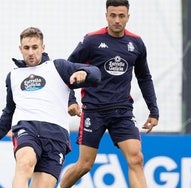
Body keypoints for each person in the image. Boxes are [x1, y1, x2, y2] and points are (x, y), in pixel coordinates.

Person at [0, 27, 101, 188]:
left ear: (43, 47)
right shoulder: (13, 76)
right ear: (20, 49)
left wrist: (85, 73)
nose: (31, 52)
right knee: (25, 162)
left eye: (35, 47)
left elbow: (96, 73)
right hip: (27, 127)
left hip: (56, 135)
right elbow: (9, 112)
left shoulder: (59, 67)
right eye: (26, 48)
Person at [59, 0, 159, 188]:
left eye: (121, 16)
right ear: (106, 15)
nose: (117, 20)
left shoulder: (136, 43)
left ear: (128, 17)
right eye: (112, 15)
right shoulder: (91, 40)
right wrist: (71, 101)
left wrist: (154, 111)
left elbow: (144, 78)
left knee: (136, 158)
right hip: (94, 111)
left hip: (122, 111)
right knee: (84, 165)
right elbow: (67, 70)